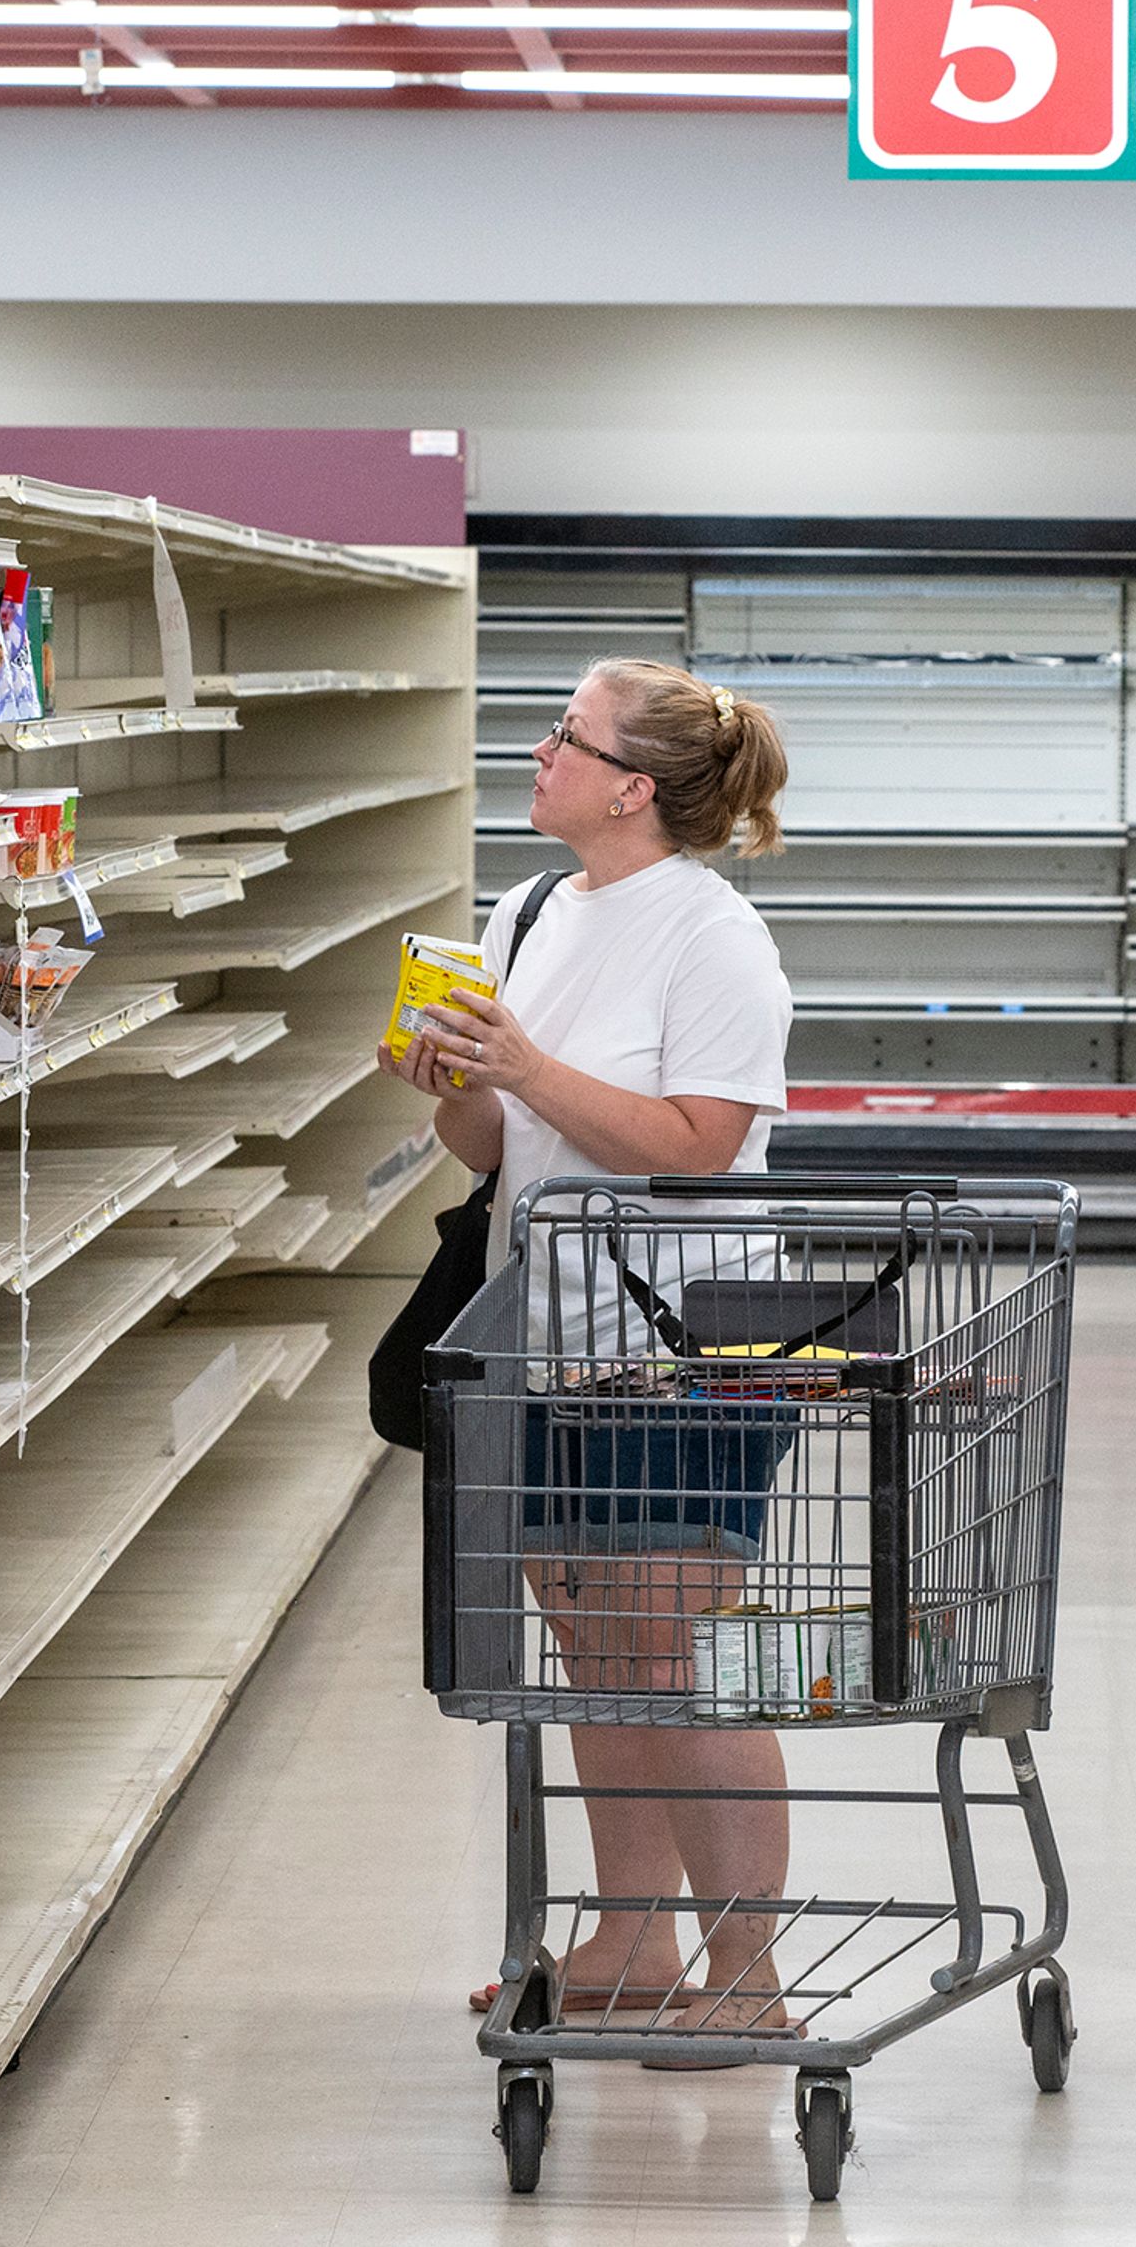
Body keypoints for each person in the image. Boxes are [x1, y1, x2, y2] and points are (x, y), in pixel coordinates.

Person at [394, 656, 798, 2038]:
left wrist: (522, 1068)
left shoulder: (713, 936)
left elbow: (701, 1150)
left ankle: (751, 1977)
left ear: (633, 787)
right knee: (596, 1650)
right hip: (546, 1343)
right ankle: (633, 1940)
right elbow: (506, 1148)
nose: (539, 749)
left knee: (666, 1656)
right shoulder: (527, 912)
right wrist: (456, 1086)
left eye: (565, 734)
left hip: (681, 1353)